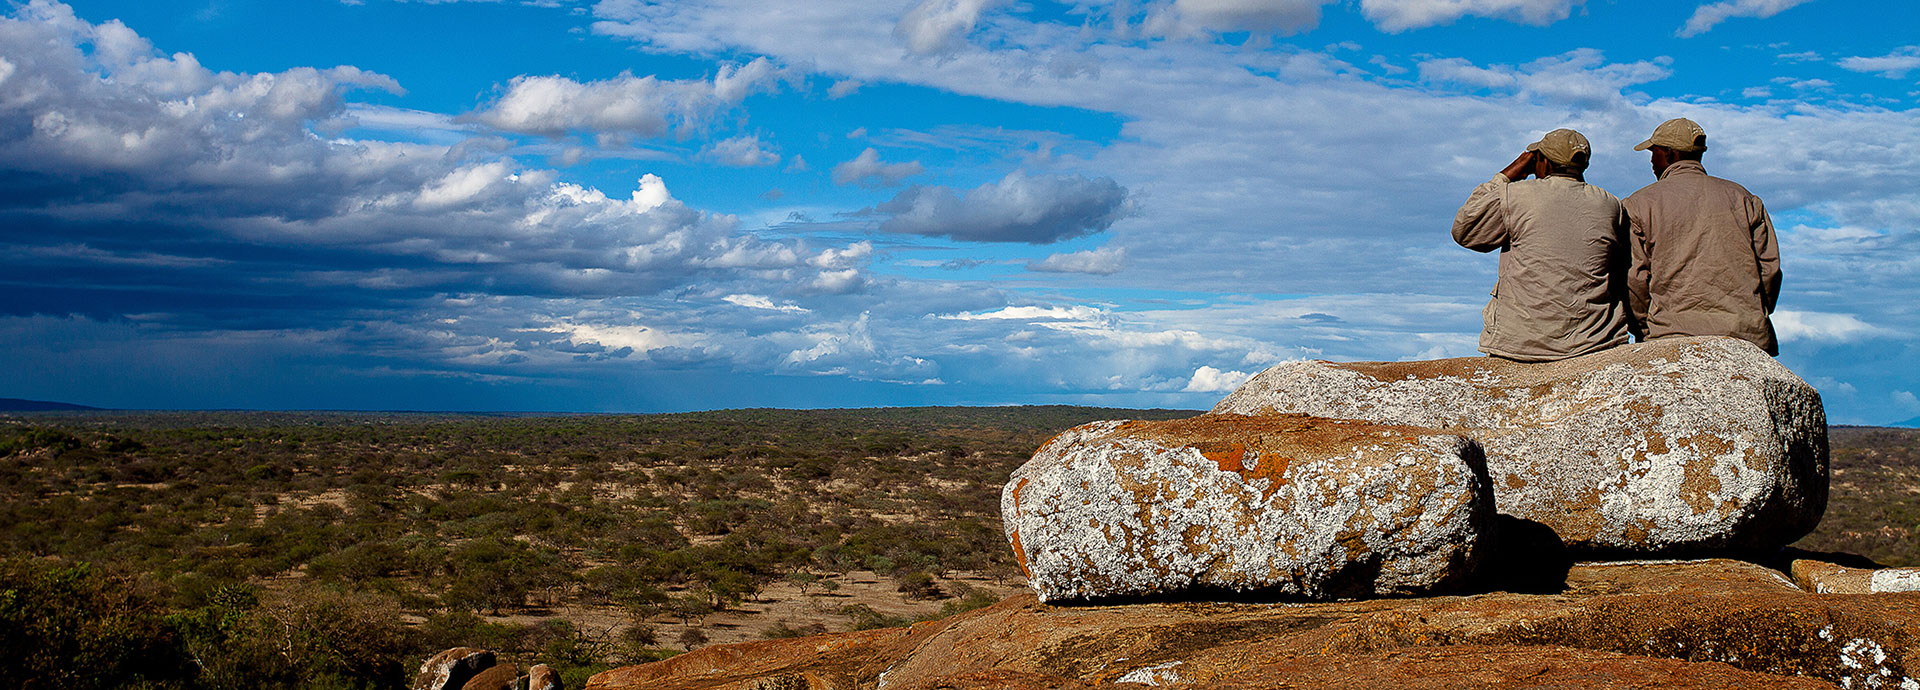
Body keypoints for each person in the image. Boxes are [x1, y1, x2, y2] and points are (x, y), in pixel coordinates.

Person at [1452, 128, 1633, 362]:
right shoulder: (1611, 205)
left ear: (1544, 163)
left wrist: (1504, 176)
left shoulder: (1515, 195)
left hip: (1520, 341)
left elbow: (1465, 232)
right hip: (1594, 339)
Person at [1622, 118, 1781, 355]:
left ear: (1669, 153)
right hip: (1746, 335)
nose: (1652, 162)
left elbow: (1634, 279)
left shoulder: (1638, 204)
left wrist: (1646, 330)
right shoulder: (1744, 198)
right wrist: (1753, 315)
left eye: (1653, 153)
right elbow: (1769, 270)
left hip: (1671, 335)